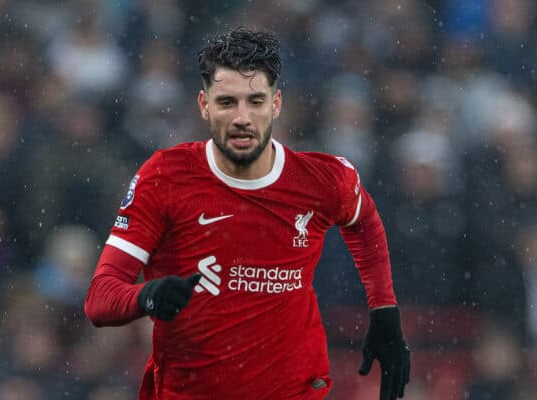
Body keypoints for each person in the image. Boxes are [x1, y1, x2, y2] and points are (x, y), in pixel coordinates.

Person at [84, 27, 410, 400]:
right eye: (227, 102)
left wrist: (384, 309)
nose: (242, 117)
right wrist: (146, 297)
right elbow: (99, 299)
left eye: (255, 101)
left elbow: (364, 222)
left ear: (276, 104)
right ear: (204, 105)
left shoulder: (323, 180)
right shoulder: (165, 177)